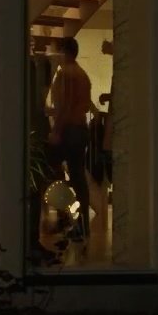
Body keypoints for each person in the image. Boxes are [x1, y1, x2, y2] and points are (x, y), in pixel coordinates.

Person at [45, 36, 98, 239]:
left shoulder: (66, 73)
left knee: (50, 170)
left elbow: (66, 105)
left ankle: (64, 216)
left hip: (69, 129)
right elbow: (77, 104)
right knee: (77, 177)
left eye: (55, 50)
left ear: (63, 51)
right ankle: (80, 223)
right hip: (79, 129)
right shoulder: (81, 74)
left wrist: (56, 130)